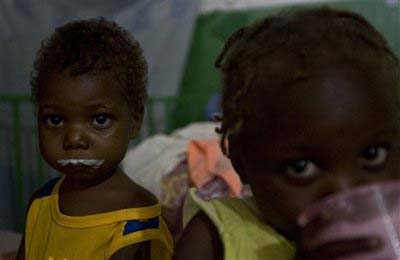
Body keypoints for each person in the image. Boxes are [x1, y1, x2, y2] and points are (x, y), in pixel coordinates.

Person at [173, 7, 400, 260]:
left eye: (372, 154)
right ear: (240, 161)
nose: (344, 193)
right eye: (301, 167)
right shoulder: (214, 238)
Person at [16, 18, 173, 260]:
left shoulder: (137, 225)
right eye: (55, 120)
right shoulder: (41, 203)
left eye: (100, 119)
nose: (74, 138)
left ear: (135, 120)